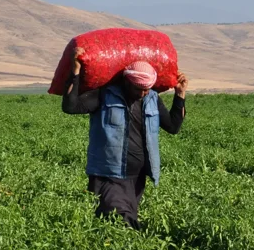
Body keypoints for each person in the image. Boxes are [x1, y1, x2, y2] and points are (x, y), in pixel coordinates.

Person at [62, 46, 188, 229]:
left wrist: (180, 95)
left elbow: (173, 127)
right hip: (108, 173)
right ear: (126, 81)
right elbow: (70, 107)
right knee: (118, 217)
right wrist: (75, 71)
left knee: (114, 221)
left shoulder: (152, 99)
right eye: (139, 89)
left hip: (136, 176)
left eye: (146, 89)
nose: (143, 93)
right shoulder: (104, 95)